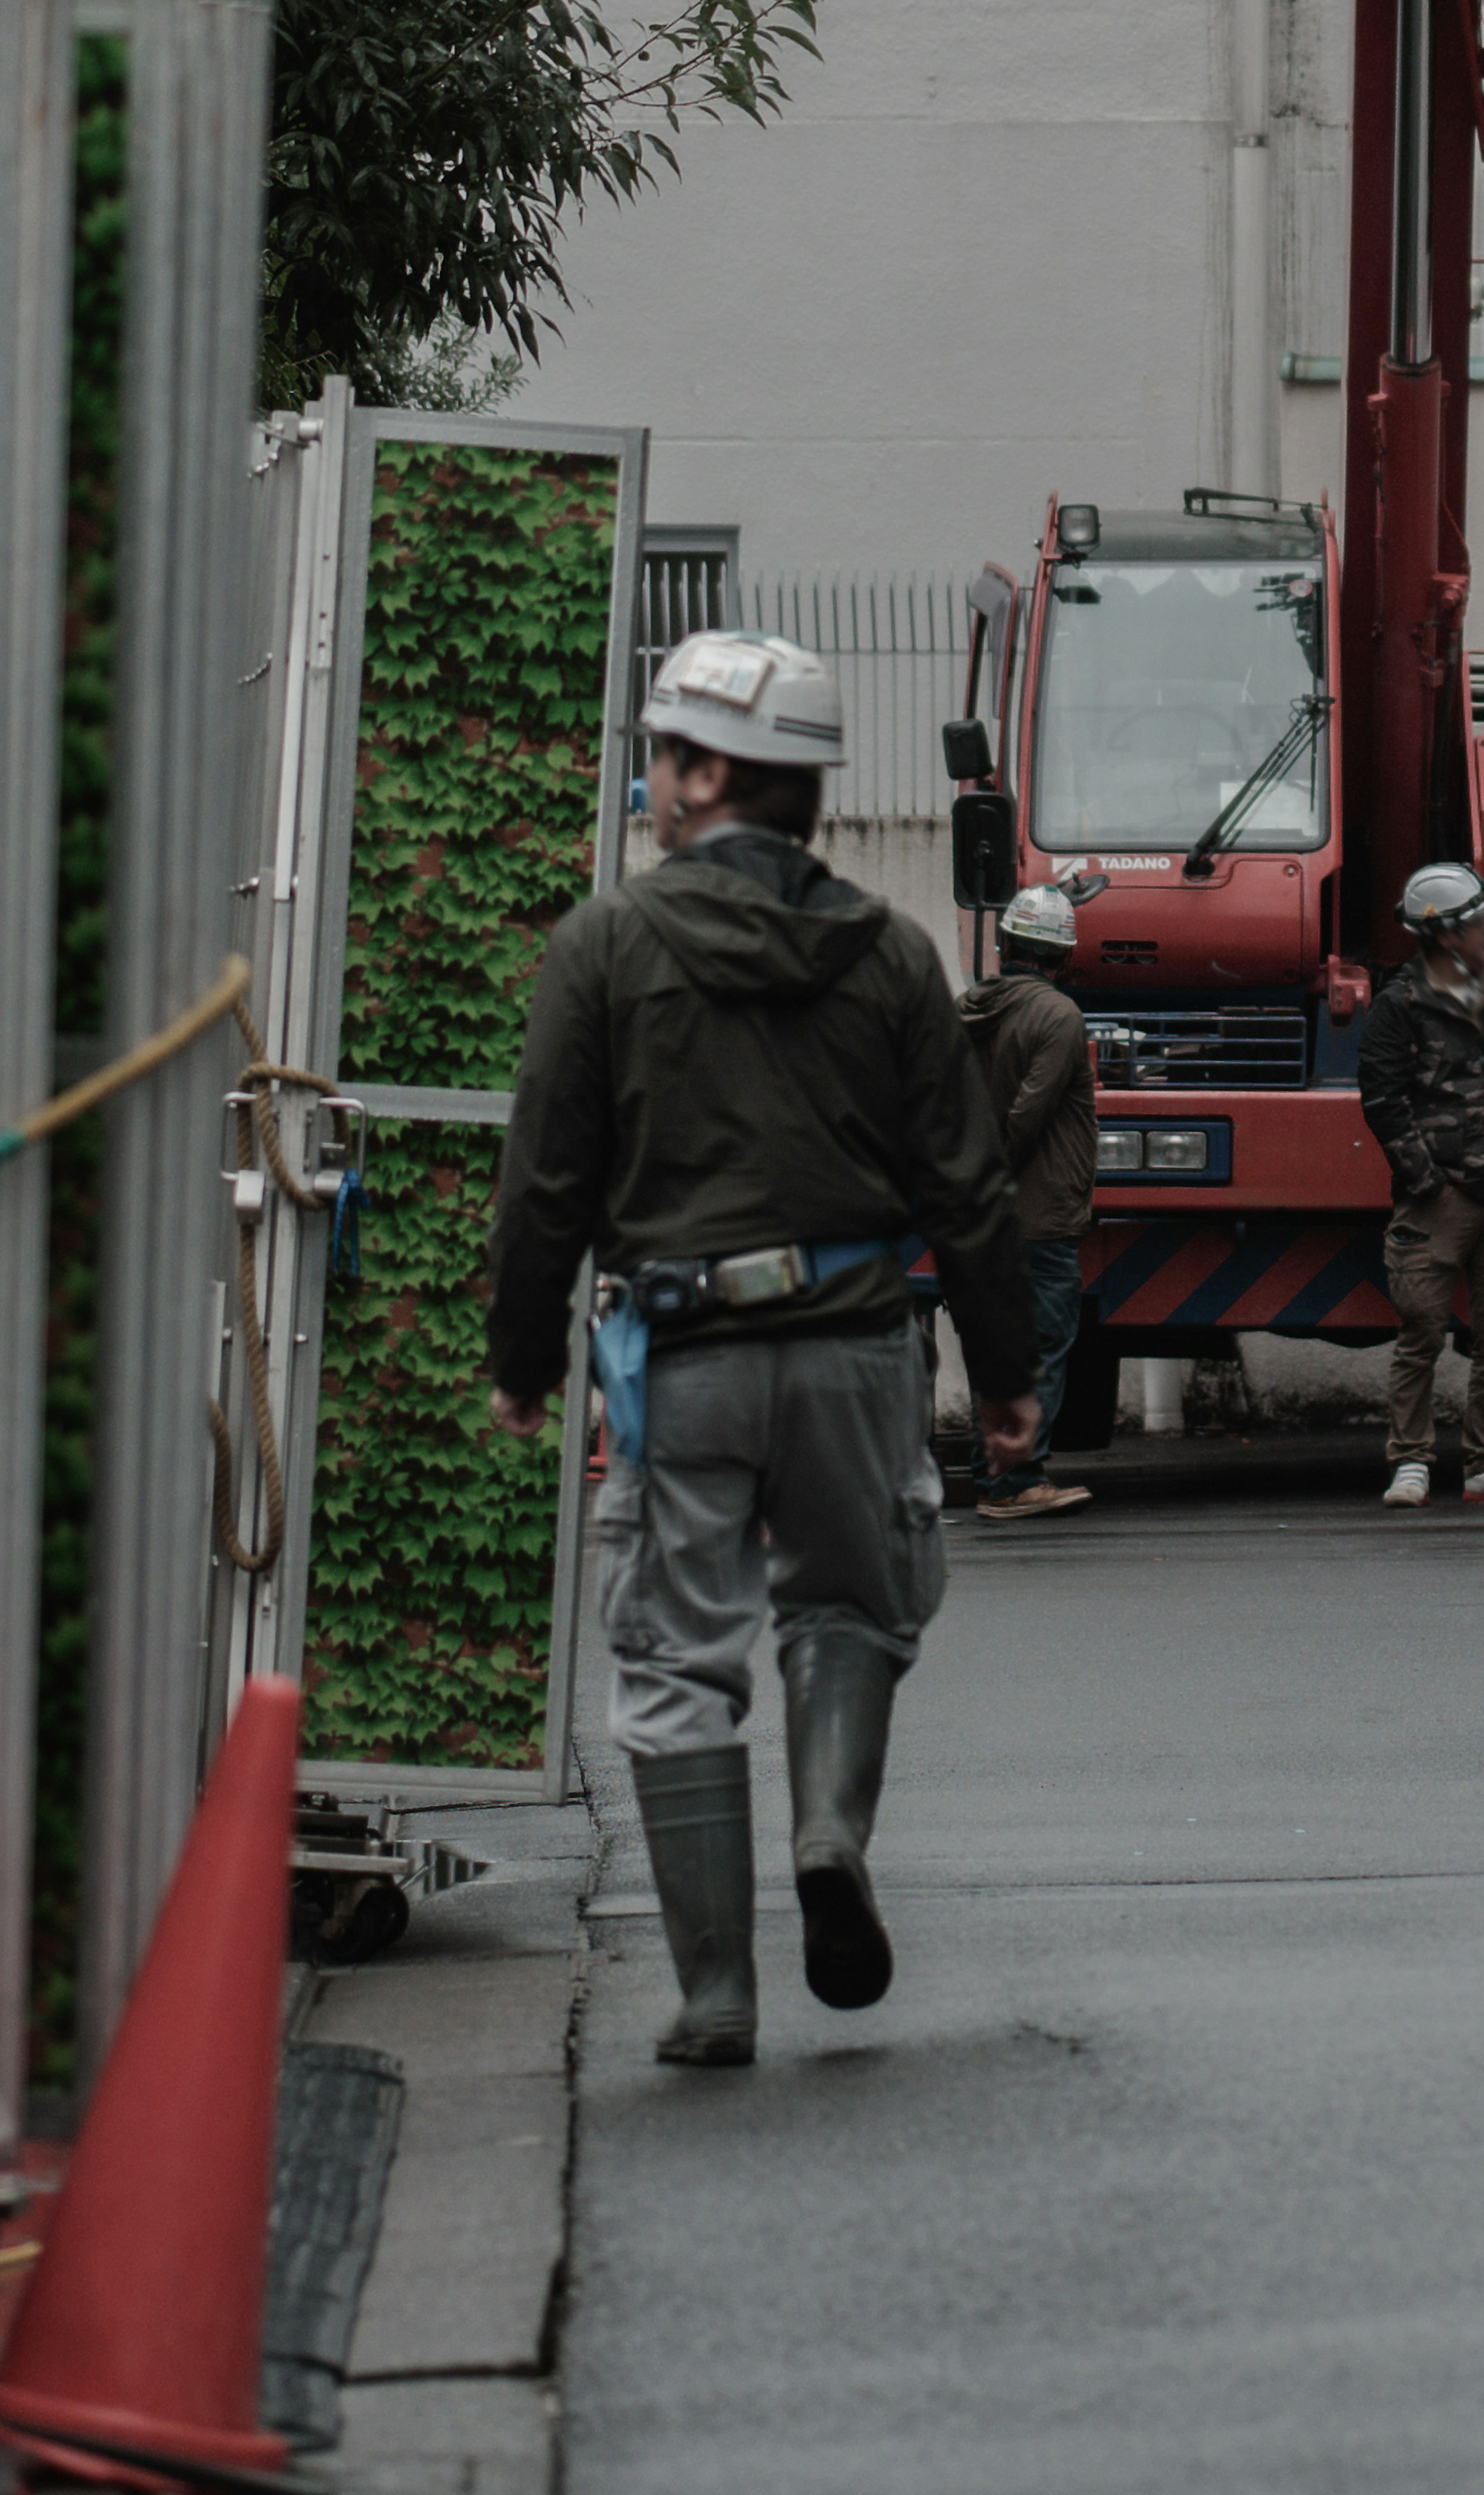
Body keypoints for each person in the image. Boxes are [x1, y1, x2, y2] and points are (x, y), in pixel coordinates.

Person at [486, 630, 1038, 2065]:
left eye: (662, 755)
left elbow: (548, 1173)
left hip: (686, 1360)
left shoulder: (604, 944)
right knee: (850, 1609)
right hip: (859, 1348)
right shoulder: (895, 954)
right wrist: (1015, 1377)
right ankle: (829, 1829)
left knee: (676, 1662)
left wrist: (523, 1357)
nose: (650, 782)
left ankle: (718, 1991)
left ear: (710, 770)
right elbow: (966, 1182)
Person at [1358, 863, 1484, 1508]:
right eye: (1480, 921)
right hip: (1439, 1199)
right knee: (1421, 1332)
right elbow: (1383, 1100)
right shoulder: (1399, 1007)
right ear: (1446, 934)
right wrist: (1427, 1182)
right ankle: (1411, 1461)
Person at [958, 882, 1099, 1524]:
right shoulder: (1058, 1017)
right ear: (1064, 956)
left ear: (1005, 943)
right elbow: (1026, 1120)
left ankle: (991, 1469)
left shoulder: (966, 1010)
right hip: (1037, 1216)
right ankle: (1017, 1480)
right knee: (1041, 1345)